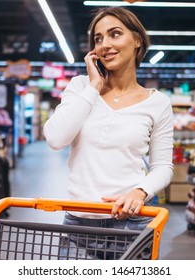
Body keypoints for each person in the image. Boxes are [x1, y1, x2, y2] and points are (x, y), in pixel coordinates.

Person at [43, 7, 174, 259]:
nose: (105, 44)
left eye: (115, 34)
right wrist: (94, 87)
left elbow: (163, 167)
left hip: (129, 225)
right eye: (98, 38)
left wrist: (141, 191)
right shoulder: (81, 87)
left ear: (137, 40)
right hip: (77, 224)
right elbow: (55, 138)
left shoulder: (157, 103)